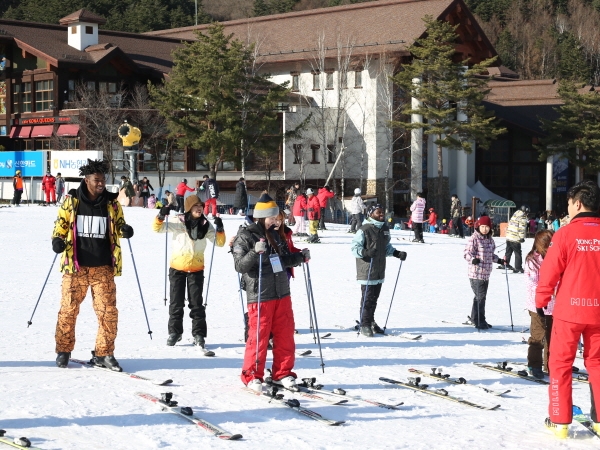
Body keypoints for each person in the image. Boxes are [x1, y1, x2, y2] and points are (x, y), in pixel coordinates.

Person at [51, 159, 134, 371]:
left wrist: (125, 230)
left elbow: (120, 223)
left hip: (103, 267)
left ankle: (104, 353)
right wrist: (57, 240)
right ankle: (63, 350)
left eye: (103, 180)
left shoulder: (111, 203)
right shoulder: (72, 201)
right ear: (86, 180)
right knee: (68, 310)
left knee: (108, 311)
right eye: (97, 180)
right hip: (75, 268)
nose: (101, 184)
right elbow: (60, 225)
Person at [536, 180, 600, 438]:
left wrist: (541, 300)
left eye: (569, 205)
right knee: (597, 364)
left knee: (560, 363)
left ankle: (560, 420)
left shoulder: (565, 234)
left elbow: (550, 271)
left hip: (569, 312)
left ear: (578, 203)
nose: (569, 210)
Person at [232, 193, 309, 392]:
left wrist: (299, 257)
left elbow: (283, 261)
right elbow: (240, 266)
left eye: (277, 217)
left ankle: (282, 373)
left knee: (285, 334)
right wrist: (254, 251)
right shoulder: (245, 236)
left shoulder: (276, 235)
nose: (276, 221)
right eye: (272, 217)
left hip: (281, 292)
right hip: (260, 293)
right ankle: (252, 375)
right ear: (261, 217)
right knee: (259, 336)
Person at [153, 196, 225, 348]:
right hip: (177, 268)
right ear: (189, 208)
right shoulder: (178, 221)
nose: (199, 208)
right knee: (176, 303)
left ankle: (198, 334)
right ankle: (175, 332)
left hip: (196, 269)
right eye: (195, 206)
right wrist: (161, 215)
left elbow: (220, 243)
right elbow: (157, 228)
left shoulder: (206, 224)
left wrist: (220, 229)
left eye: (201, 205)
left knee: (197, 304)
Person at [351, 204, 407, 337]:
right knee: (368, 298)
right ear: (371, 214)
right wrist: (365, 252)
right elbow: (354, 248)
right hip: (367, 269)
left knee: (374, 298)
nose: (382, 214)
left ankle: (370, 321)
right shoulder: (364, 229)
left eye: (382, 212)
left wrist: (397, 253)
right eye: (378, 212)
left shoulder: (384, 229)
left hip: (379, 269)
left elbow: (386, 247)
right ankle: (364, 323)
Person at [463, 215, 504, 329]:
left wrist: (499, 260)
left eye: (487, 227)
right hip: (476, 273)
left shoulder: (490, 240)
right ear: (478, 226)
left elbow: (490, 255)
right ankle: (479, 320)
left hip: (486, 273)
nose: (485, 229)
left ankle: (475, 317)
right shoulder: (474, 238)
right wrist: (472, 260)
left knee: (479, 297)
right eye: (482, 226)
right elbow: (466, 253)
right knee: (480, 297)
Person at [524, 229, 555, 380]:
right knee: (538, 335)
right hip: (537, 304)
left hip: (554, 305)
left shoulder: (556, 257)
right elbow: (533, 283)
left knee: (552, 336)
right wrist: (550, 289)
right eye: (547, 244)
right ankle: (534, 364)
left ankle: (550, 364)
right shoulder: (532, 260)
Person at [504, 205, 529, 274]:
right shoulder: (522, 217)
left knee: (508, 251)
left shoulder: (515, 214)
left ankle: (505, 264)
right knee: (518, 253)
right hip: (515, 237)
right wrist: (521, 237)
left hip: (509, 236)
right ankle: (518, 267)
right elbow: (521, 228)